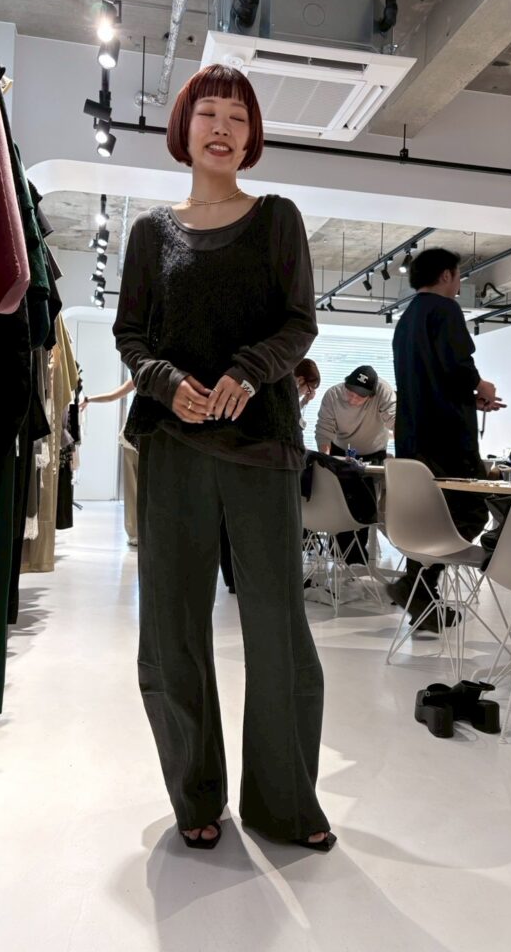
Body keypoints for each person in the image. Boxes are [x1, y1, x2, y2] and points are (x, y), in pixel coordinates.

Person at [113, 64, 334, 852]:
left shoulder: (277, 219)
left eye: (238, 118)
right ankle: (195, 795)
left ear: (251, 137)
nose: (222, 128)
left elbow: (299, 323)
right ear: (185, 128)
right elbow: (130, 335)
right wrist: (167, 384)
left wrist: (247, 372)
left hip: (262, 444)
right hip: (172, 446)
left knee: (279, 629)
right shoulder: (150, 233)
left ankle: (285, 804)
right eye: (209, 113)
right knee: (172, 627)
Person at [388, 248, 504, 630]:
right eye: (457, 276)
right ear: (445, 276)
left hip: (414, 436)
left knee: (427, 516)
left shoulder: (406, 320)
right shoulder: (445, 310)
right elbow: (457, 364)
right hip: (448, 437)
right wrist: (481, 386)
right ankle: (415, 584)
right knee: (470, 511)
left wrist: (470, 399)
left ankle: (420, 594)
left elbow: (431, 377)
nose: (458, 284)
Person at [220, 358, 321, 593]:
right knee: (244, 523)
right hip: (258, 461)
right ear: (300, 380)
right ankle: (242, 578)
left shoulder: (270, 386)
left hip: (240, 457)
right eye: (309, 388)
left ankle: (235, 579)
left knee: (233, 521)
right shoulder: (277, 389)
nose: (309, 393)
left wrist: (303, 401)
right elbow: (289, 424)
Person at [315, 365, 395, 564]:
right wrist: (325, 460)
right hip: (341, 449)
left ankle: (356, 554)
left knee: (365, 501)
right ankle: (338, 550)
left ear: (371, 395)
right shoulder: (333, 395)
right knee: (339, 499)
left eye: (359, 397)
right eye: (350, 392)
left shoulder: (383, 392)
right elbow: (324, 429)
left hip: (374, 451)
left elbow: (396, 420)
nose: (352, 399)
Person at [80, 378, 138, 545]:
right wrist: (89, 399)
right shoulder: (145, 375)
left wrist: (89, 399)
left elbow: (113, 396)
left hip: (137, 437)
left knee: (134, 489)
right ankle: (137, 533)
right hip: (137, 437)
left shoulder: (143, 374)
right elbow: (113, 396)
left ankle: (136, 533)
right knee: (137, 489)